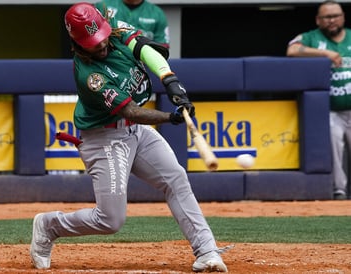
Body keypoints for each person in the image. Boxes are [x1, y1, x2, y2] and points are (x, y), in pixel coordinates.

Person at [30, 2, 229, 272]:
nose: (100, 45)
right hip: (104, 138)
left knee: (175, 178)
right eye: (92, 43)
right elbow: (133, 112)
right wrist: (171, 117)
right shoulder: (90, 77)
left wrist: (169, 80)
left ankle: (207, 251)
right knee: (110, 220)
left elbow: (146, 50)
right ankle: (49, 225)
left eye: (100, 37)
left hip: (133, 131)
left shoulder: (116, 33)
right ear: (76, 44)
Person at [286, 0, 350, 200]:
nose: (332, 20)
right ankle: (339, 192)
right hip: (331, 110)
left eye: (336, 16)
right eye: (327, 17)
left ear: (343, 17)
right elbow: (292, 50)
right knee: (334, 145)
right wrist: (325, 53)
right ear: (318, 20)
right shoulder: (312, 38)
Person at [95, 0, 169, 48]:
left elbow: (163, 46)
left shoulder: (157, 13)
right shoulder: (102, 6)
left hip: (143, 63)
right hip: (110, 61)